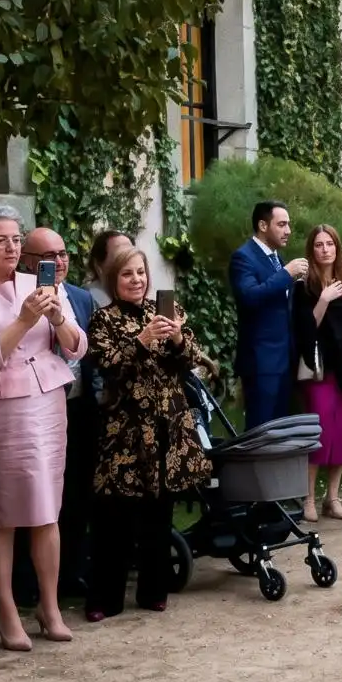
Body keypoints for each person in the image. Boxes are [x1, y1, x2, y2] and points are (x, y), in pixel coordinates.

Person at [85, 247, 211, 620]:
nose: (137, 280)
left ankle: (154, 591)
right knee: (115, 518)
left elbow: (193, 360)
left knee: (158, 515)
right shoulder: (103, 321)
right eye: (127, 274)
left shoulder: (169, 312)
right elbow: (107, 366)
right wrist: (141, 341)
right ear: (113, 280)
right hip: (124, 432)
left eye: (140, 273)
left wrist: (174, 339)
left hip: (167, 428)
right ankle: (104, 600)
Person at [0, 205, 85, 650]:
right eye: (1, 239)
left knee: (47, 508)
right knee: (2, 512)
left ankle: (50, 606)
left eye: (16, 239)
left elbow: (78, 347)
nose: (12, 247)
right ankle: (7, 613)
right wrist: (24, 320)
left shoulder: (41, 283)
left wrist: (58, 318)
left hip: (48, 402)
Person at [20, 227, 97, 599]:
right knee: (31, 496)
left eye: (63, 253)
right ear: (29, 262)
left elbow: (90, 353)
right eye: (49, 256)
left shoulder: (81, 298)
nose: (59, 261)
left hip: (77, 407)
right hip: (32, 409)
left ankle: (70, 573)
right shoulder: (16, 297)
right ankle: (27, 581)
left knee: (76, 493)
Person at [292, 224, 342, 523]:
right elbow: (305, 330)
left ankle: (333, 498)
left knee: (341, 432)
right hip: (318, 369)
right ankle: (308, 499)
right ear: (311, 250)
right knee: (320, 431)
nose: (325, 249)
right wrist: (324, 300)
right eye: (318, 245)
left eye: (330, 244)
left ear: (337, 249)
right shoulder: (304, 286)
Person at [229, 201, 308, 429]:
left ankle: (273, 467)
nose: (288, 231)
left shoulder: (275, 257)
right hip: (261, 362)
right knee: (260, 430)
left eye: (288, 225)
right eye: (282, 224)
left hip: (284, 360)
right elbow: (250, 297)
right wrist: (286, 274)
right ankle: (254, 467)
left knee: (278, 431)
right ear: (263, 225)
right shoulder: (243, 257)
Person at [85, 229, 132, 307]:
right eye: (119, 256)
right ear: (98, 265)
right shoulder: (88, 299)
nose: (127, 261)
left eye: (131, 254)